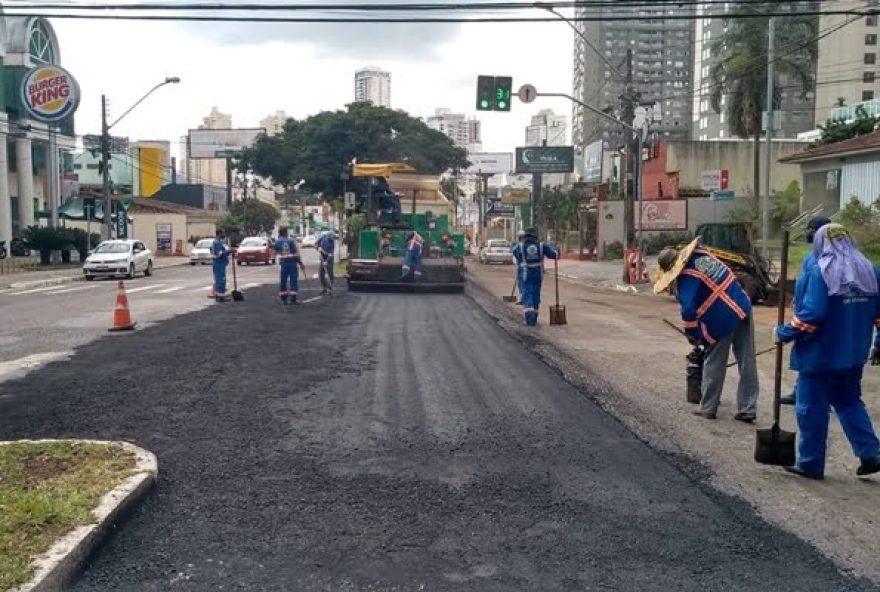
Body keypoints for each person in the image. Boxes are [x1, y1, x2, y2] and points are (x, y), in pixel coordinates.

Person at [775, 223, 880, 479]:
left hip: (820, 355)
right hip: (853, 354)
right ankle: (871, 454)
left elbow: (813, 314)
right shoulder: (871, 271)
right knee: (849, 401)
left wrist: (785, 332)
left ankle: (810, 463)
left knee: (811, 408)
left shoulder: (820, 271)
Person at [654, 238, 759, 422]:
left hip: (722, 319)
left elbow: (688, 311)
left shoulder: (686, 277)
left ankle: (708, 408)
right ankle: (748, 409)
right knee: (747, 360)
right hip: (742, 306)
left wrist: (694, 337)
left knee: (714, 362)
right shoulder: (703, 255)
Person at [781, 215, 832, 406]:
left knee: (815, 358)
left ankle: (819, 398)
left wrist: (785, 332)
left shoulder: (824, 260)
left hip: (815, 318)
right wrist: (798, 298)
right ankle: (799, 391)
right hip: (807, 312)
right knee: (808, 358)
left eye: (811, 230)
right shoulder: (810, 256)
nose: (808, 234)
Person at [518, 228, 559, 326]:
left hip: (525, 274)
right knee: (536, 295)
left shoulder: (520, 246)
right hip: (538, 275)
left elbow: (516, 255)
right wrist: (557, 250)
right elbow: (553, 255)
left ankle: (529, 318)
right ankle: (534, 318)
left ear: (526, 235)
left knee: (527, 295)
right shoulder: (541, 245)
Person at [275, 227, 305, 305]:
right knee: (293, 281)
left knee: (283, 281)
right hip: (292, 263)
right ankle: (293, 299)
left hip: (283, 264)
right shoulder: (291, 241)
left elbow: (276, 252)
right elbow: (296, 254)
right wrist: (300, 263)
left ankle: (284, 299)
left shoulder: (277, 242)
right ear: (285, 232)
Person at [210, 229, 230, 303]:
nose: (223, 235)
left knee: (218, 280)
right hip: (219, 264)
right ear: (219, 234)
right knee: (221, 280)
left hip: (217, 263)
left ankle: (218, 296)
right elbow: (219, 254)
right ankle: (221, 297)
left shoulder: (214, 243)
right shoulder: (217, 243)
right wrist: (228, 252)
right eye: (222, 233)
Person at [316, 231, 337, 295]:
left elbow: (330, 254)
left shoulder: (332, 243)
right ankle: (324, 288)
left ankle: (330, 289)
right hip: (322, 258)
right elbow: (316, 244)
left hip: (329, 259)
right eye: (332, 237)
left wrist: (326, 261)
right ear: (328, 236)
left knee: (330, 274)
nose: (333, 239)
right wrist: (318, 248)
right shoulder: (323, 237)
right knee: (321, 274)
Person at [511, 230, 527, 305]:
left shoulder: (518, 246)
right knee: (526, 283)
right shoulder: (528, 245)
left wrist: (518, 259)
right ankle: (525, 298)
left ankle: (522, 299)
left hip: (521, 267)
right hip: (528, 267)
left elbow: (514, 252)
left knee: (521, 283)